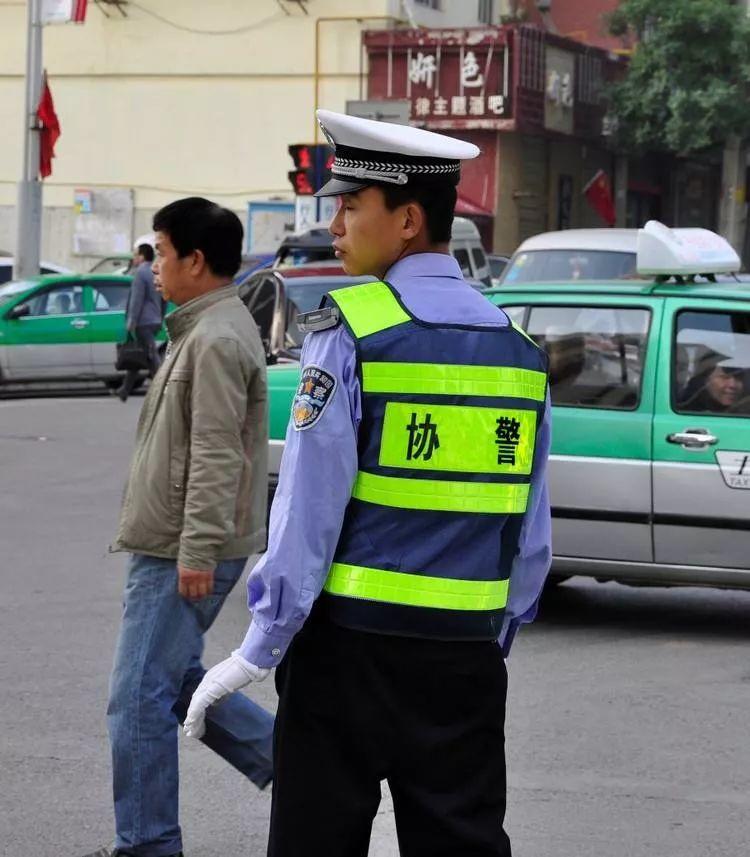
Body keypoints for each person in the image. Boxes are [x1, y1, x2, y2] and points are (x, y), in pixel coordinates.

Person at [185, 111, 552, 857]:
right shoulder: (518, 351)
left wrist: (260, 646)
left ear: (409, 219)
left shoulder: (350, 333)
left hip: (345, 657)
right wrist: (488, 636)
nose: (335, 222)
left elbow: (307, 514)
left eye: (352, 205)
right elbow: (531, 537)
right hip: (463, 661)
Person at [84, 197, 274, 857]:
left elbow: (218, 453)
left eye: (162, 252)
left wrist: (195, 550)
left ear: (196, 260)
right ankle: (294, 760)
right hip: (175, 543)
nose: (155, 265)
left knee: (136, 699)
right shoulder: (202, 327)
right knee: (172, 680)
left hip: (181, 550)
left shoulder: (217, 337)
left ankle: (147, 845)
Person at [115, 243, 163, 402]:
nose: (134, 258)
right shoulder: (156, 270)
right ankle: (125, 389)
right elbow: (163, 297)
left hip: (143, 321)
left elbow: (137, 300)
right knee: (138, 354)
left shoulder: (141, 273)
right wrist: (160, 317)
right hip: (155, 320)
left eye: (136, 255)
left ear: (142, 256)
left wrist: (131, 323)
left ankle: (164, 388)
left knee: (150, 355)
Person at [679, 348, 749, 414]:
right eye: (724, 377)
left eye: (738, 378)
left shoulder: (744, 411)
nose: (732, 385)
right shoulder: (685, 411)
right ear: (705, 380)